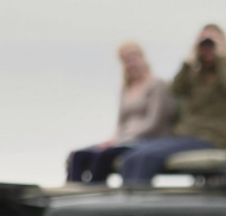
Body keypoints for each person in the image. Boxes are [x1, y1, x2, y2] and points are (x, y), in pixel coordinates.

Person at [117, 25, 226, 186]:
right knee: (132, 156)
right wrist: (189, 60)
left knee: (147, 157)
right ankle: (124, 205)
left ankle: (137, 207)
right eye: (203, 43)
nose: (207, 47)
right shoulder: (194, 75)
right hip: (182, 136)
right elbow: (175, 89)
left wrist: (221, 56)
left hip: (210, 138)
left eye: (212, 42)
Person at [65, 42, 173, 183]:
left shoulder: (157, 84)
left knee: (103, 156)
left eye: (133, 58)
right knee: (78, 156)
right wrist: (113, 139)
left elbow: (154, 122)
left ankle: (96, 193)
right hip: (122, 139)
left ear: (142, 57)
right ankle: (73, 193)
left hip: (146, 141)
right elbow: (121, 122)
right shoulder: (126, 88)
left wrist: (123, 139)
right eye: (125, 60)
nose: (130, 63)